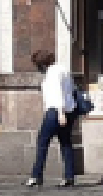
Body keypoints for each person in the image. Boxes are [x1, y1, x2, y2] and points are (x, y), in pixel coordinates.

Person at [25, 49, 77, 188]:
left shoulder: (53, 73)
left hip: (55, 111)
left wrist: (60, 112)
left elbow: (57, 93)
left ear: (42, 64)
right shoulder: (63, 69)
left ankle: (36, 176)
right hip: (69, 110)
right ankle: (69, 176)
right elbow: (71, 89)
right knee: (66, 143)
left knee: (42, 142)